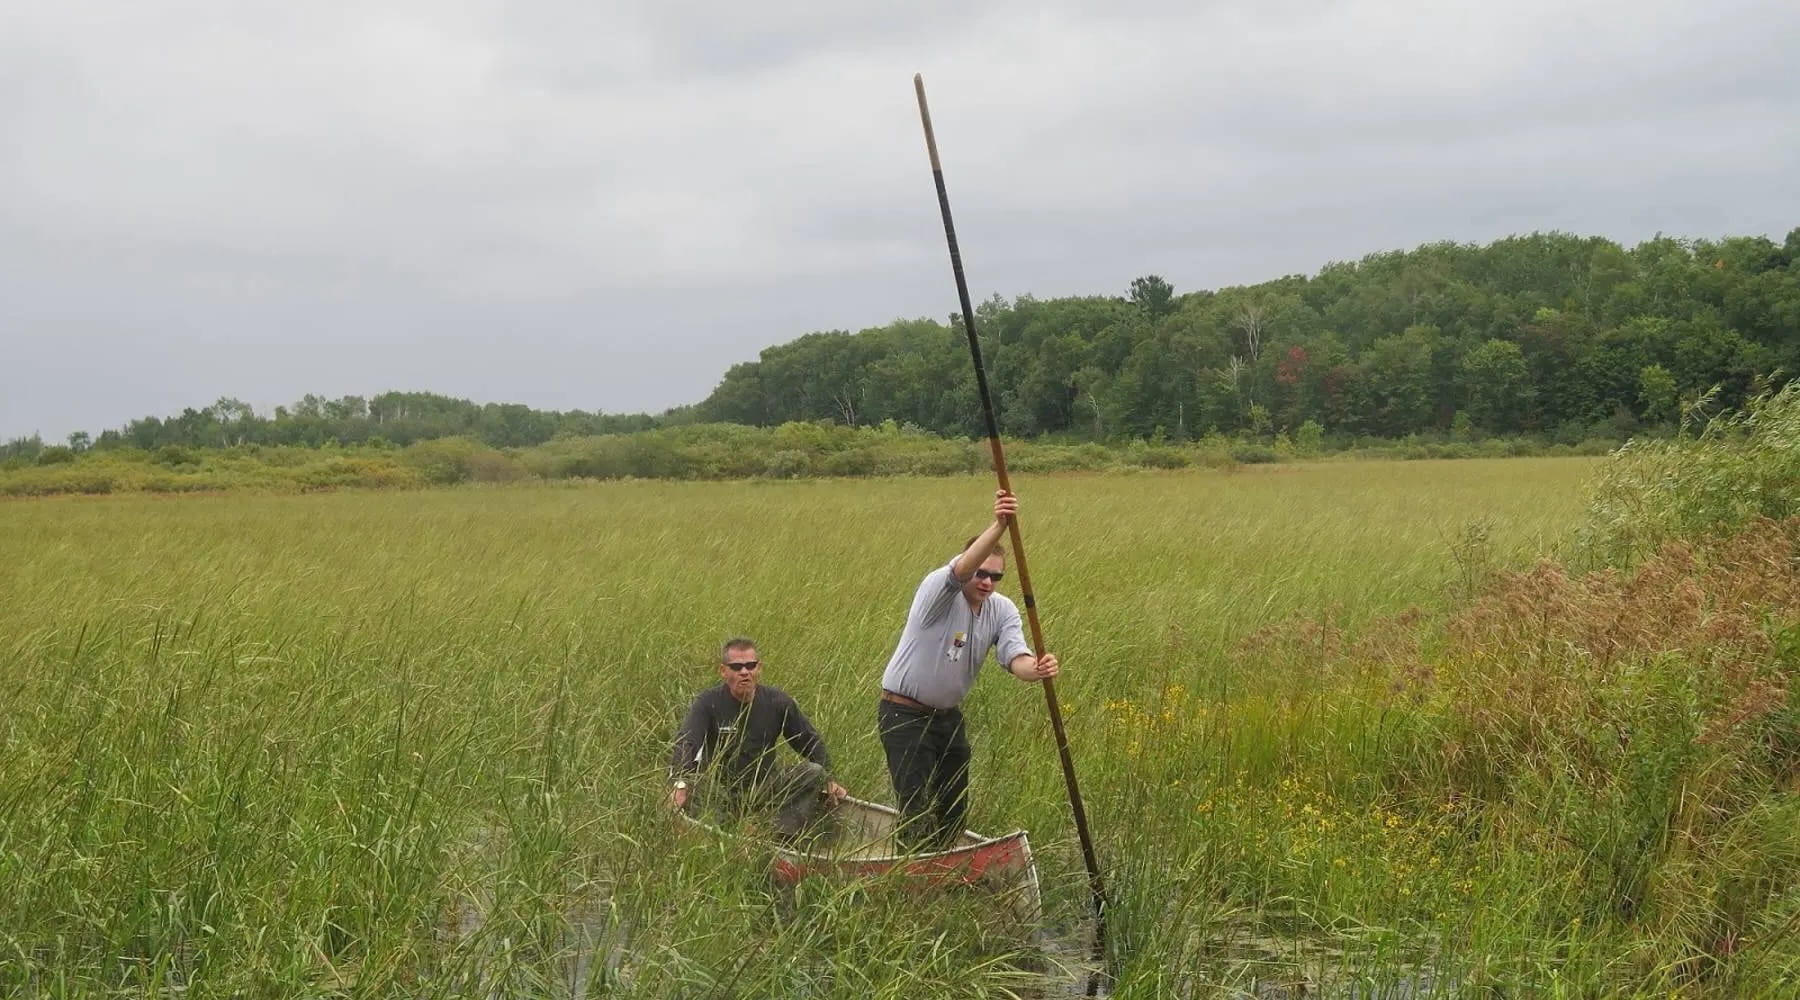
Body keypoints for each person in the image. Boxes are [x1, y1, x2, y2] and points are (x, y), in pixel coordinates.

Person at [876, 488, 1060, 852]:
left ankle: (944, 865)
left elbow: (1014, 657)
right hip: (903, 714)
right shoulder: (938, 593)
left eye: (995, 577)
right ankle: (908, 877)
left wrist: (1036, 669)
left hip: (947, 719)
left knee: (953, 806)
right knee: (915, 808)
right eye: (980, 573)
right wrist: (999, 526)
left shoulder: (1002, 609)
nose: (986, 582)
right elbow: (957, 570)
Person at [670, 636, 847, 841]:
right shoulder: (707, 703)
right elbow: (687, 742)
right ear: (723, 671)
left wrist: (830, 778)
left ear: (758, 668)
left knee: (814, 772)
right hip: (721, 792)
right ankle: (727, 834)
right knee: (697, 784)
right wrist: (680, 784)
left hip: (765, 788)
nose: (744, 672)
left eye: (750, 665)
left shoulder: (778, 702)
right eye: (737, 667)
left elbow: (809, 740)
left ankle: (778, 835)